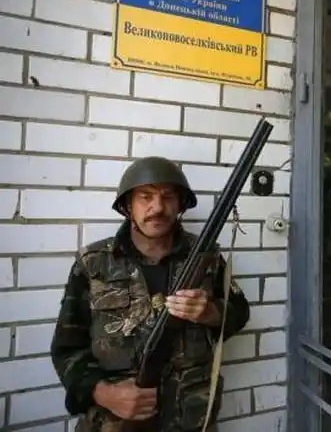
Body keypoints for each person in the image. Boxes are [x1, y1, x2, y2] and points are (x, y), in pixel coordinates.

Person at [50, 156, 250, 431]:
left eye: (168, 197)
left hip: (191, 421)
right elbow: (66, 349)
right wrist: (105, 394)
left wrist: (210, 313)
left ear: (180, 205)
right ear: (127, 205)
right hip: (113, 424)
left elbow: (239, 312)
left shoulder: (206, 257)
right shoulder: (93, 263)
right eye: (145, 197)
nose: (158, 207)